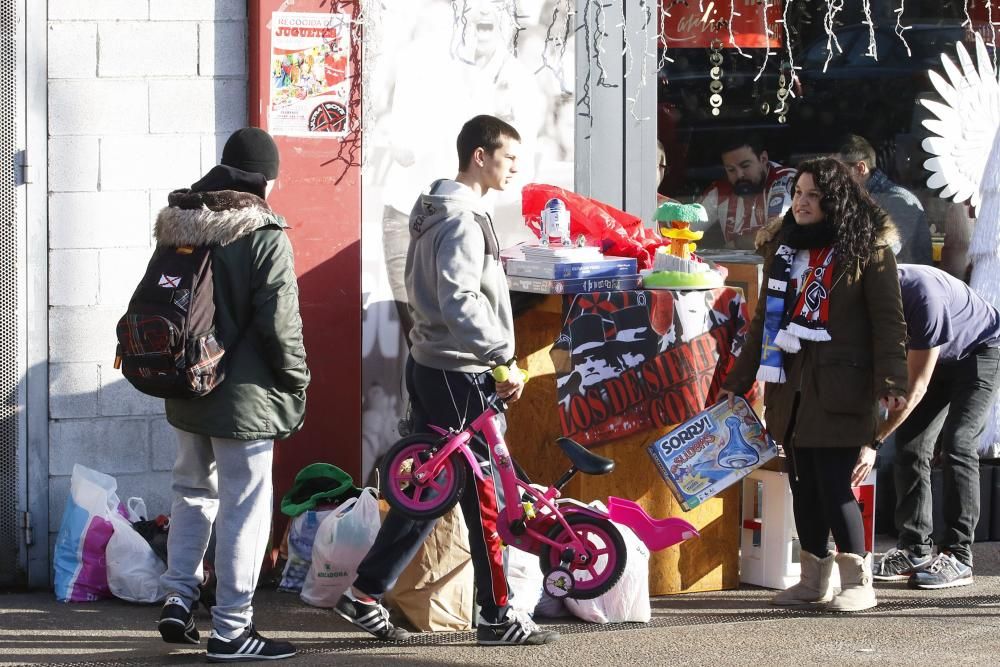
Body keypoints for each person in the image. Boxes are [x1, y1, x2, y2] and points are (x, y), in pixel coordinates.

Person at [335, 115, 559, 646]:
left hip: (435, 365)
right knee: (481, 493)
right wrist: (501, 353)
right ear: (479, 156)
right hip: (460, 371)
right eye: (508, 159)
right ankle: (496, 616)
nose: (514, 170)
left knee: (428, 489)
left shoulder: (435, 210)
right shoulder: (460, 220)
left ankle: (364, 594)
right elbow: (460, 299)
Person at [722, 157, 908, 612]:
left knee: (833, 483)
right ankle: (813, 577)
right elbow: (764, 321)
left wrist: (891, 381)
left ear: (836, 201)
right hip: (791, 387)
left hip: (843, 386)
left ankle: (859, 580)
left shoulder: (870, 252)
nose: (801, 203)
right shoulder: (784, 248)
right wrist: (738, 380)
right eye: (798, 194)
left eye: (813, 196)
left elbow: (889, 322)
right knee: (801, 483)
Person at [155, 127, 309, 661]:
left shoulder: (181, 223)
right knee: (246, 505)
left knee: (192, 490)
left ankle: (177, 597)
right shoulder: (263, 232)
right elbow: (280, 326)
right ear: (265, 178)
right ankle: (231, 630)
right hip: (242, 397)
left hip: (185, 385)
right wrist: (297, 381)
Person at [864, 264, 1000, 588]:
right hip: (934, 356)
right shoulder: (866, 296)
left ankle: (958, 555)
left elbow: (917, 386)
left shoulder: (923, 296)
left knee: (958, 443)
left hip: (980, 351)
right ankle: (914, 548)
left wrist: (873, 441)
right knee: (911, 446)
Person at [837, 134, 932, 265]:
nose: (828, 178)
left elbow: (879, 255)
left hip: (904, 284)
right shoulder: (852, 201)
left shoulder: (898, 200)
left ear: (860, 169)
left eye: (835, 171)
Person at [697, 137, 796, 250]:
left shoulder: (785, 179)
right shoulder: (720, 190)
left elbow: (775, 233)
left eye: (745, 166)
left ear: (763, 159)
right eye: (731, 169)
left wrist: (737, 243)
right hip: (736, 266)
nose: (739, 175)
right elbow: (685, 228)